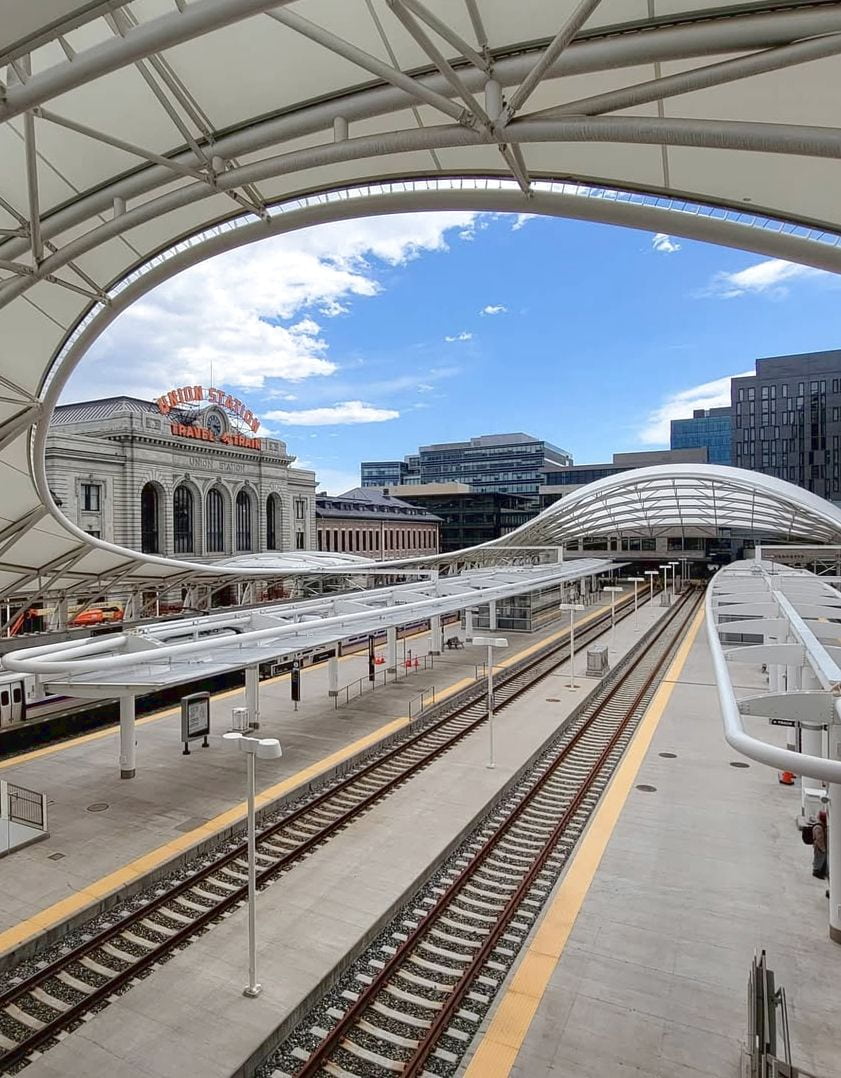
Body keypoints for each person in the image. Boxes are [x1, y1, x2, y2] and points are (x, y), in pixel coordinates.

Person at [812, 809, 828, 881]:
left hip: (818, 846)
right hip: (819, 846)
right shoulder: (819, 827)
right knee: (819, 858)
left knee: (819, 858)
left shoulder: (820, 825)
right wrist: (823, 848)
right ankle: (816, 871)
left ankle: (819, 870)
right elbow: (819, 839)